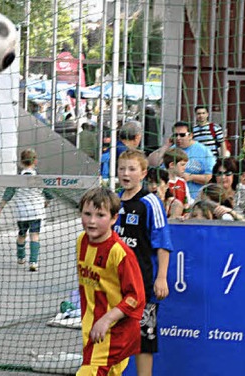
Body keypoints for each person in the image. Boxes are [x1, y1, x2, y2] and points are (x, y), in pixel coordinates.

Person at [75, 186, 146, 376]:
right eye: (87, 214)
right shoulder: (81, 241)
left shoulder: (119, 253)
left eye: (100, 215)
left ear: (114, 218)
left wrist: (106, 319)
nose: (91, 221)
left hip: (113, 333)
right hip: (93, 330)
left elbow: (135, 297)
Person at [114, 150, 173, 376]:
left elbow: (163, 242)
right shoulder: (114, 200)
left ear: (143, 173)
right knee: (113, 336)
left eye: (131, 169)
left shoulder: (150, 202)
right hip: (116, 282)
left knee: (144, 338)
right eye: (121, 169)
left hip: (142, 283)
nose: (125, 174)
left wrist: (161, 277)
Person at [0, 148, 54, 272]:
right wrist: (46, 203)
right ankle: (33, 262)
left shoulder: (17, 179)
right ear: (35, 161)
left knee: (22, 234)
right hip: (36, 212)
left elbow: (7, 195)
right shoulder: (39, 179)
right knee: (35, 235)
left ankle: (21, 257)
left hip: (22, 213)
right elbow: (49, 195)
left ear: (21, 162)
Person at [148, 121, 216, 199]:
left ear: (190, 135)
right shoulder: (170, 149)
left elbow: (211, 177)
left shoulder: (204, 152)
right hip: (169, 198)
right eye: (175, 135)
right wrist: (166, 145)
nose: (178, 138)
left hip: (194, 199)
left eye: (182, 135)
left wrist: (191, 177)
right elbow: (152, 163)